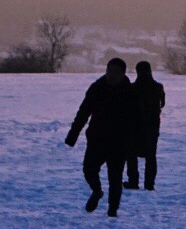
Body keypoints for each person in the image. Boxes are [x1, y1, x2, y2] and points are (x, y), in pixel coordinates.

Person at [65, 57, 141, 217]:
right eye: (109, 71)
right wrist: (73, 135)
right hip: (97, 139)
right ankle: (97, 190)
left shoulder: (130, 92)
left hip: (119, 142)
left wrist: (135, 142)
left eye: (116, 72)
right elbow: (83, 112)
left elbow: (137, 120)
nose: (112, 75)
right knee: (88, 170)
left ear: (123, 74)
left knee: (115, 178)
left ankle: (112, 210)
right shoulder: (97, 88)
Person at [125, 60, 165, 191]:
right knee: (151, 156)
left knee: (131, 155)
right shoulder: (158, 87)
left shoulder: (131, 88)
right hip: (152, 127)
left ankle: (133, 182)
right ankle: (149, 184)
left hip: (133, 127)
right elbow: (162, 104)